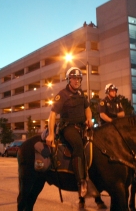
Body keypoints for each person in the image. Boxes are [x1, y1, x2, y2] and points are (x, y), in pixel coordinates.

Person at [46, 67, 93, 199]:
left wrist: (89, 119)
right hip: (68, 128)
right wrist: (51, 134)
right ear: (69, 79)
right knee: (78, 146)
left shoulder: (81, 94)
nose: (77, 81)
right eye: (74, 78)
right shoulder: (62, 95)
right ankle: (81, 183)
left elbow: (87, 108)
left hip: (82, 126)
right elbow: (53, 114)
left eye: (79, 79)